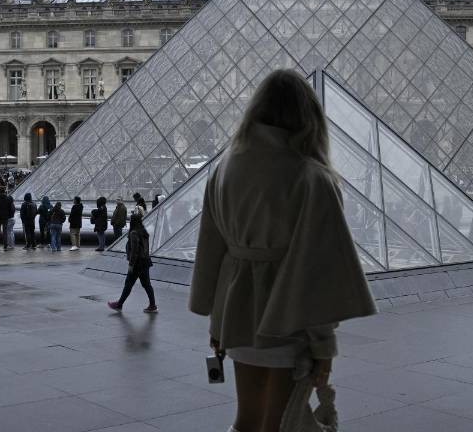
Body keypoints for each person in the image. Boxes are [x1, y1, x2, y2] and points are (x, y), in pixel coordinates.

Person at [188, 70, 376, 432]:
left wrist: (216, 320)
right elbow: (318, 272)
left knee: (246, 421)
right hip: (287, 318)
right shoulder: (311, 177)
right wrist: (323, 347)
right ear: (309, 116)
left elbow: (210, 249)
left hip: (236, 313)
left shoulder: (225, 168)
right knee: (279, 424)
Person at [108, 212, 157, 313]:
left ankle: (119, 304)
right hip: (145, 261)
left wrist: (131, 264)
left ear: (132, 222)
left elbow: (135, 251)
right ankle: (153, 305)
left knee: (129, 284)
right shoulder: (143, 231)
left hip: (137, 263)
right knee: (147, 284)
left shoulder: (134, 233)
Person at [0, 186, 15, 251]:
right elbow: (11, 209)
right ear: (4, 191)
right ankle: (5, 246)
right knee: (5, 232)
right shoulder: (8, 199)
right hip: (5, 218)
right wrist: (8, 216)